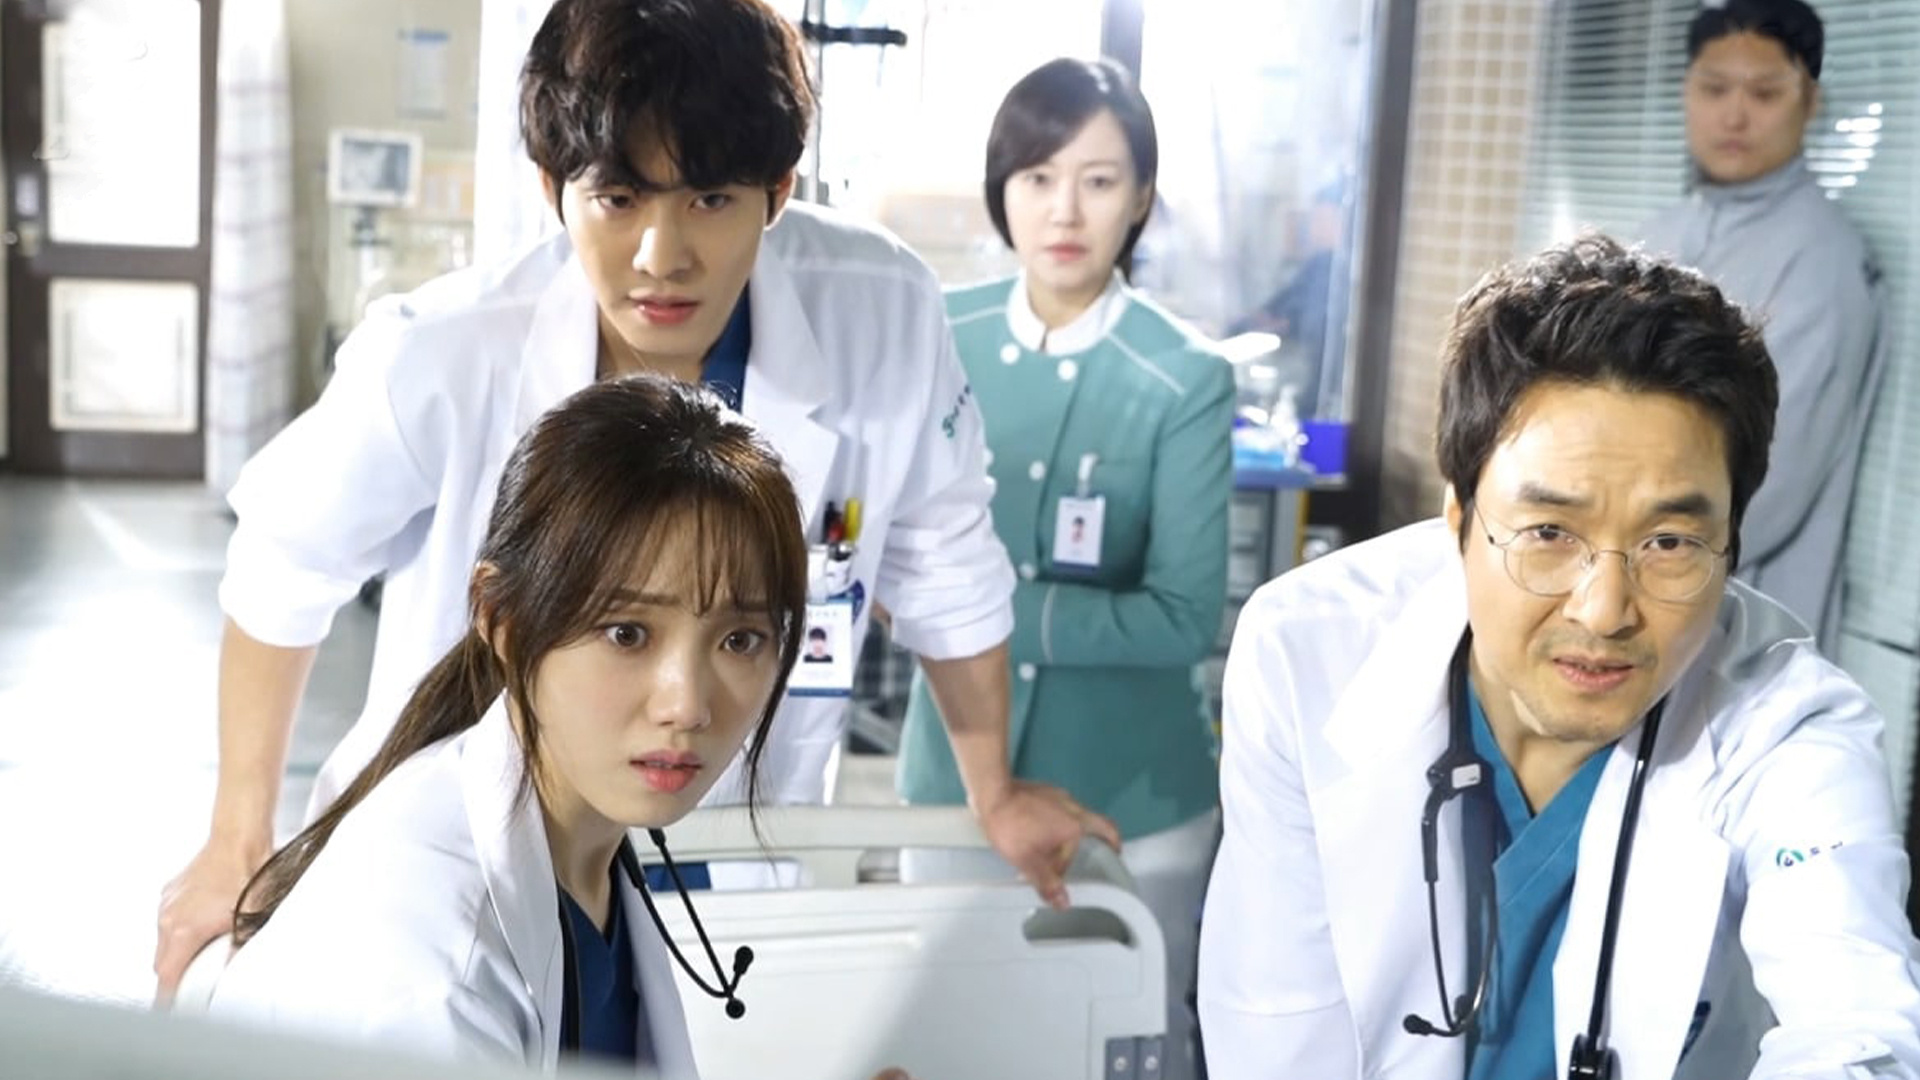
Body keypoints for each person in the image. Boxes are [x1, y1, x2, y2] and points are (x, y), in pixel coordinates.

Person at [157, 0, 1114, 1001]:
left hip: (730, 866)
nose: (662, 256)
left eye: (710, 198)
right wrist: (236, 836)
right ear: (551, 188)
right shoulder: (443, 354)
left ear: (778, 191)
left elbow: (947, 566)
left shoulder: (882, 311)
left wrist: (993, 791)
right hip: (474, 864)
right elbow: (281, 563)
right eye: (618, 198)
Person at [1198, 236, 1920, 1080]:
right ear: (1459, 520)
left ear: (1731, 542)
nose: (1605, 610)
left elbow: (1859, 1020)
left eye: (1670, 542)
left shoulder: (1788, 727)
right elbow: (1278, 1027)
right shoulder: (1307, 653)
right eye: (1549, 532)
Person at [207, 376, 907, 1079]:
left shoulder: (580, 847)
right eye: (627, 634)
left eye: (739, 640)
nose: (687, 705)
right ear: (502, 623)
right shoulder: (427, 970)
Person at [895, 58, 1235, 1080]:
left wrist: (974, 606)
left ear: (1142, 198)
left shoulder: (1182, 375)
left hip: (1132, 800)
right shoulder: (936, 336)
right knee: (949, 1044)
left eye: (1098, 179)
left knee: (1124, 1049)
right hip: (954, 782)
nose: (1065, 210)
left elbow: (1183, 618)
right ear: (1001, 189)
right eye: (1038, 177)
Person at [1634, 0, 1884, 653]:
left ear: (1812, 102)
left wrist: (1630, 552)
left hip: (1735, 624)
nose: (1735, 116)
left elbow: (1769, 486)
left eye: (1765, 93)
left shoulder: (1822, 259)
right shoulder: (1659, 234)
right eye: (1714, 88)